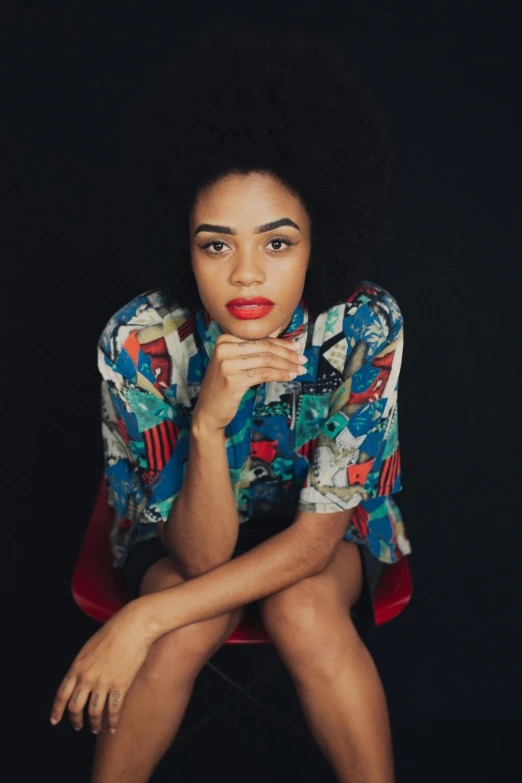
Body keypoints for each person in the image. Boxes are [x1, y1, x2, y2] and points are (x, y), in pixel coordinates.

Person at [50, 21, 411, 783]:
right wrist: (209, 425)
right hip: (184, 534)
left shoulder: (364, 325)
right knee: (191, 614)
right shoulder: (141, 339)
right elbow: (200, 558)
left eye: (277, 243)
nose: (246, 275)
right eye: (217, 244)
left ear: (320, 241)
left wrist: (141, 618)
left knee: (303, 608)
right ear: (183, 245)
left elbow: (314, 546)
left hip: (313, 531)